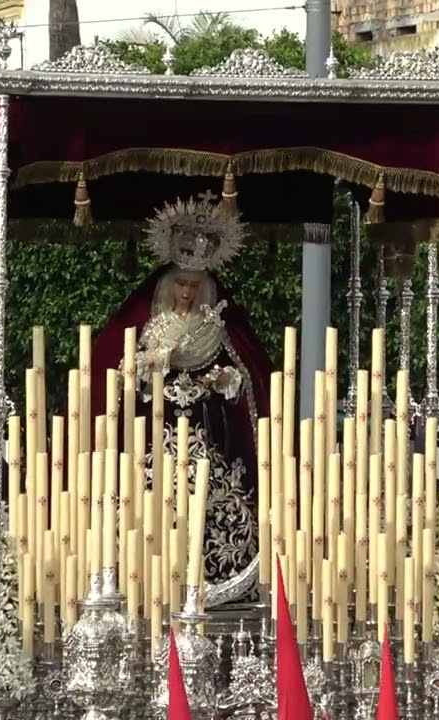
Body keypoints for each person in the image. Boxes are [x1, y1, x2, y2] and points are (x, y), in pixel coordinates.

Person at [91, 195, 272, 591]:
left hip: (208, 429)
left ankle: (214, 572)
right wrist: (151, 361)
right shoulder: (154, 327)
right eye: (182, 285)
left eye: (194, 286)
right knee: (154, 496)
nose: (187, 293)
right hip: (160, 428)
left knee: (212, 495)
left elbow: (242, 372)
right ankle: (150, 568)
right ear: (169, 285)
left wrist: (221, 379)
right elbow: (126, 372)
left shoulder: (215, 326)